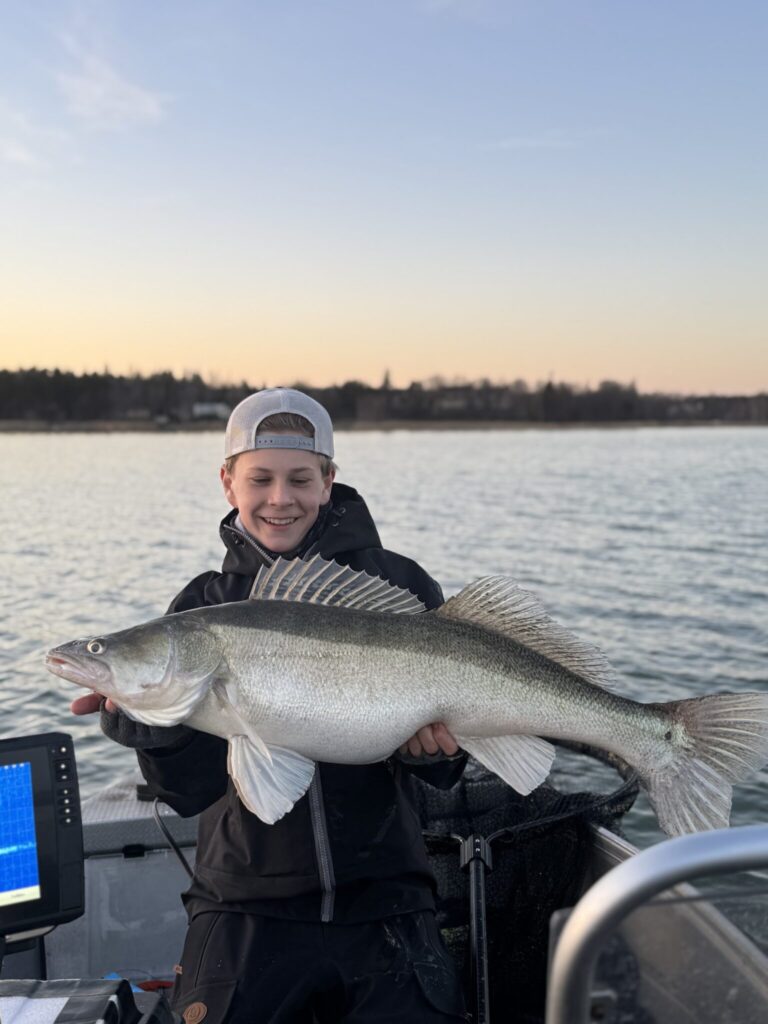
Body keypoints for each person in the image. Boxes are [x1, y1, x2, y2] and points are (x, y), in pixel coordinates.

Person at [72, 387, 468, 1023]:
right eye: (260, 479)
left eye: (300, 479)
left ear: (328, 482)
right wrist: (153, 729)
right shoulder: (199, 609)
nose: (280, 498)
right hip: (240, 902)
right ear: (228, 482)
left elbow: (447, 771)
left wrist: (434, 754)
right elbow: (188, 793)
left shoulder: (400, 585)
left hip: (388, 897)